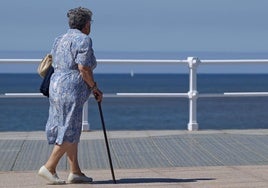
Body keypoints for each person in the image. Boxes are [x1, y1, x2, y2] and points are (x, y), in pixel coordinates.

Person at [38, 7, 103, 184]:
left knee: (67, 126)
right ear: (87, 24)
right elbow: (83, 68)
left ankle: (75, 171)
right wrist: (94, 87)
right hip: (71, 88)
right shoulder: (84, 40)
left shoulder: (59, 39)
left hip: (56, 85)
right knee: (70, 128)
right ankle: (49, 167)